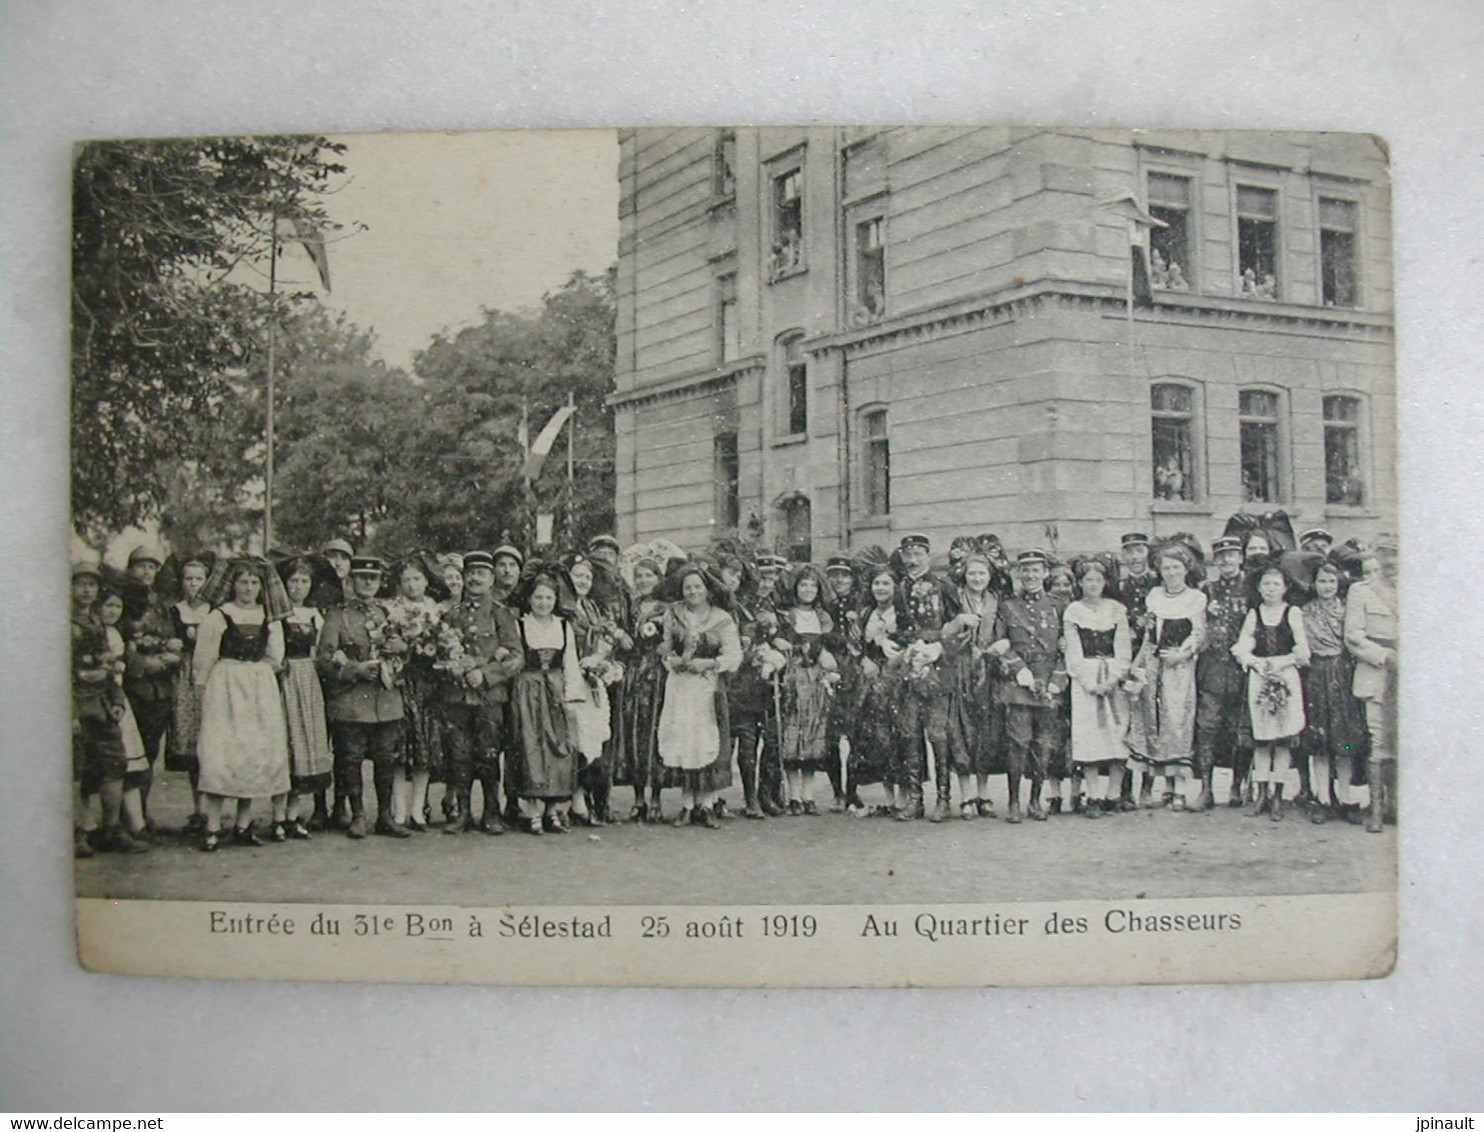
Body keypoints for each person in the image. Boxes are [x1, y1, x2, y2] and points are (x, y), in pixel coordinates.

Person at [193, 557, 291, 851]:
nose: (248, 588)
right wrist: (203, 688)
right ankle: (212, 825)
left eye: (253, 583)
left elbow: (275, 657)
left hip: (258, 686)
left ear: (261, 587)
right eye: (243, 582)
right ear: (232, 585)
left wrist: (256, 676)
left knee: (252, 751)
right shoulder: (219, 616)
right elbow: (204, 657)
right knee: (221, 752)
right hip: (225, 685)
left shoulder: (268, 618)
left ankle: (243, 824)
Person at [316, 556, 409, 840]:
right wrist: (356, 669)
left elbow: (408, 651)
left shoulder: (389, 612)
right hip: (352, 701)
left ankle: (385, 816)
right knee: (351, 758)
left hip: (385, 700)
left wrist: (401, 647)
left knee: (385, 759)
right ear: (351, 581)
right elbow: (324, 658)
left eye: (374, 578)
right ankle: (357, 814)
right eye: (362, 578)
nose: (368, 583)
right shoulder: (337, 615)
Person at [437, 550, 523, 834]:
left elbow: (515, 656)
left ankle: (491, 813)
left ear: (491, 579)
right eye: (471, 573)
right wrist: (453, 668)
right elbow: (438, 652)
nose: (475, 579)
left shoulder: (502, 614)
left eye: (481, 574)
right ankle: (462, 813)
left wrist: (485, 676)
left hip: (489, 698)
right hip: (457, 697)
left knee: (488, 754)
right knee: (458, 755)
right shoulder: (452, 615)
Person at [656, 563, 742, 828]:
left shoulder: (722, 618)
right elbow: (665, 648)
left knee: (705, 738)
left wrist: (710, 664)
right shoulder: (673, 614)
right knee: (684, 739)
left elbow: (734, 655)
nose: (692, 591)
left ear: (707, 590)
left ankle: (706, 804)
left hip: (707, 686)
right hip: (681, 686)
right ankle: (687, 804)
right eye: (687, 587)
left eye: (697, 587)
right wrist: (673, 660)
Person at [1126, 544, 1207, 809]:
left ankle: (1179, 788)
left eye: (1176, 567)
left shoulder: (1195, 598)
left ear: (1186, 569)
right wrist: (1139, 664)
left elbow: (1198, 634)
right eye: (1166, 568)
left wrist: (1182, 655)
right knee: (1152, 720)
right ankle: (1153, 786)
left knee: (1177, 721)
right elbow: (1150, 634)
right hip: (1154, 663)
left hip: (1179, 668)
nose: (1171, 572)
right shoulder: (1155, 596)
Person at [71, 563, 142, 855]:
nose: (87, 590)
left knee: (115, 765)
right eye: (81, 584)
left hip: (101, 705)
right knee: (75, 772)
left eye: (92, 584)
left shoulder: (97, 624)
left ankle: (110, 830)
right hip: (76, 707)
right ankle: (76, 834)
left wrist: (115, 701)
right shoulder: (61, 622)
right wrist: (71, 713)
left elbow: (108, 665)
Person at [509, 568, 586, 834]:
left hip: (556, 691)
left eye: (548, 598)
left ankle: (554, 810)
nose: (543, 603)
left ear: (556, 600)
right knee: (531, 746)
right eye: (538, 597)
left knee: (558, 747)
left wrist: (572, 698)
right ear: (529, 599)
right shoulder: (520, 624)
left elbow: (570, 663)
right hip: (527, 692)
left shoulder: (563, 626)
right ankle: (532, 810)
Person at [992, 549, 1067, 823]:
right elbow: (1001, 644)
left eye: (1036, 569)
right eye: (1025, 570)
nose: (1030, 575)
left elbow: (1065, 649)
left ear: (1046, 573)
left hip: (1048, 685)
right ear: (1018, 574)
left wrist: (1056, 683)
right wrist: (1020, 670)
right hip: (1019, 686)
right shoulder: (1008, 605)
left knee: (1043, 745)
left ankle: (1035, 800)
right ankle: (1013, 801)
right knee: (1017, 743)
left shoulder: (1059, 605)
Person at [1233, 565, 1311, 821]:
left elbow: (1302, 650)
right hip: (1261, 678)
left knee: (1283, 740)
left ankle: (1278, 795)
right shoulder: (1254, 613)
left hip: (1286, 678)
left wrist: (1283, 662)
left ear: (1285, 587)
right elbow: (1243, 645)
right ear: (1259, 588)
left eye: (1276, 584)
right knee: (1263, 739)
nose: (1271, 589)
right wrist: (1255, 662)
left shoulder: (1293, 613)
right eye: (1266, 584)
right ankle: (1261, 793)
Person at [896, 533, 961, 821]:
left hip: (937, 668)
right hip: (910, 668)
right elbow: (900, 627)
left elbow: (961, 630)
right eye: (907, 554)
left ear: (927, 556)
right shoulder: (900, 589)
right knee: (910, 733)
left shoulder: (944, 586)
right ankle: (915, 799)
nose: (912, 559)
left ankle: (943, 799)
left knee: (937, 734)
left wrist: (938, 648)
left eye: (918, 554)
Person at [1062, 556, 1133, 818]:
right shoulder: (1073, 611)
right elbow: (1073, 649)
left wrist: (1113, 679)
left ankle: (1113, 794)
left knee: (1117, 733)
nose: (1093, 585)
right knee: (1088, 734)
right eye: (1088, 580)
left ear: (1105, 583)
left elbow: (1123, 646)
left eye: (1098, 580)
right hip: (1085, 680)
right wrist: (1089, 682)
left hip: (1113, 676)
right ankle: (1092, 794)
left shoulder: (1116, 609)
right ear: (1080, 583)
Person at [383, 554, 448, 831]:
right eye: (406, 579)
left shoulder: (435, 611)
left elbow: (445, 646)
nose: (412, 585)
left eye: (417, 579)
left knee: (424, 751)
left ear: (426, 581)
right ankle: (399, 811)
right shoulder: (391, 610)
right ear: (399, 583)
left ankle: (418, 809)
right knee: (400, 751)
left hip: (428, 686)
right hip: (400, 684)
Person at [1301, 560, 1369, 824]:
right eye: (1322, 581)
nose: (1327, 586)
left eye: (1331, 581)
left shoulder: (1347, 610)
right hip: (1316, 674)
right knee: (1319, 740)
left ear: (1338, 583)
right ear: (1314, 584)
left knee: (1345, 740)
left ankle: (1345, 796)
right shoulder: (1305, 612)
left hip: (1342, 673)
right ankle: (1322, 799)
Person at [940, 553, 1003, 819]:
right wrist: (957, 623)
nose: (977, 579)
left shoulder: (996, 601)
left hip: (988, 672)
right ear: (964, 576)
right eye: (972, 574)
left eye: (981, 574)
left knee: (986, 732)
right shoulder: (953, 599)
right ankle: (966, 794)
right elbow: (940, 632)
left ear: (989, 577)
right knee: (961, 730)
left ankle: (984, 793)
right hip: (960, 670)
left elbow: (1004, 633)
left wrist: (1002, 644)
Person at [565, 554, 626, 826]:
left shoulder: (592, 608)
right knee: (576, 739)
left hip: (593, 681)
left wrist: (601, 660)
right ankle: (576, 802)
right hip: (572, 679)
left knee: (594, 739)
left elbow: (606, 639)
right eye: (578, 575)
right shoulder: (564, 609)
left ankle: (591, 800)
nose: (583, 581)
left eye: (587, 577)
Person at [121, 545, 179, 831]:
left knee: (150, 753)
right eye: (141, 565)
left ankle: (140, 812)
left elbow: (168, 637)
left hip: (160, 691)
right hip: (134, 688)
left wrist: (171, 654)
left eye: (152, 567)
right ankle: (127, 818)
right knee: (131, 753)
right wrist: (144, 663)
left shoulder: (160, 605)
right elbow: (118, 644)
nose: (147, 572)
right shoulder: (121, 601)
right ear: (131, 568)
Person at [773, 563, 839, 815]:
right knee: (792, 735)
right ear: (795, 588)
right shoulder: (786, 615)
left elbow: (828, 647)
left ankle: (809, 795)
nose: (808, 589)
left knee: (812, 734)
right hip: (793, 678)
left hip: (816, 681)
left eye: (813, 585)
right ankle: (793, 796)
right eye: (804, 584)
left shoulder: (823, 618)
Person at [276, 556, 334, 838]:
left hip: (307, 680)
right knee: (283, 743)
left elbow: (320, 651)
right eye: (293, 581)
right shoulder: (275, 614)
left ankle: (292, 815)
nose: (298, 587)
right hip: (281, 680)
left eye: (303, 581)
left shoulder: (314, 615)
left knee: (303, 744)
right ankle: (277, 815)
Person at [1345, 536, 1398, 833]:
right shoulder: (1362, 591)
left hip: (1408, 673)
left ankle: (1396, 805)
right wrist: (1383, 656)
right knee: (1378, 740)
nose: (1391, 562)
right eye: (1386, 555)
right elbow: (1353, 636)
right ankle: (1376, 810)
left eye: (1396, 556)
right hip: (1378, 671)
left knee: (1404, 740)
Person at [615, 555, 673, 821]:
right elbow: (622, 634)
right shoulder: (631, 606)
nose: (643, 580)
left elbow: (677, 638)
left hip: (658, 674)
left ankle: (657, 798)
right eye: (639, 576)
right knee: (634, 731)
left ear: (658, 579)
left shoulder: (668, 608)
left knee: (656, 732)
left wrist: (667, 645)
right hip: (635, 673)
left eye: (648, 575)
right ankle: (638, 798)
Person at [1195, 536, 1250, 810]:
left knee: (1238, 728)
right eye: (1221, 556)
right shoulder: (1206, 590)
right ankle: (1206, 789)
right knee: (1207, 727)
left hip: (1241, 670)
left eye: (1232, 554)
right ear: (1215, 561)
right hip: (1213, 669)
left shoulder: (1251, 588)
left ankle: (1237, 786)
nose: (1227, 560)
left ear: (1241, 558)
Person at [854, 563, 912, 816]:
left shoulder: (903, 612)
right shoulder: (866, 613)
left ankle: (905, 796)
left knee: (902, 735)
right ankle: (889, 797)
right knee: (880, 738)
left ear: (895, 587)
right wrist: (864, 658)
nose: (880, 588)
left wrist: (885, 642)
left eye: (885, 583)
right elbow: (858, 645)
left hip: (898, 681)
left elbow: (909, 640)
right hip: (872, 681)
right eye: (876, 583)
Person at [95, 588, 152, 844]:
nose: (112, 611)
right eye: (107, 606)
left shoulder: (116, 633)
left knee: (129, 764)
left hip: (117, 699)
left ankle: (136, 825)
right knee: (104, 766)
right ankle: (99, 826)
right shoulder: (93, 633)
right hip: (98, 699)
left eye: (117, 607)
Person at [166, 558, 213, 830]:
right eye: (188, 579)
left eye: (198, 579)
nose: (193, 584)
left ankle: (212, 810)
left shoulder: (215, 611)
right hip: (184, 679)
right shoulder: (175, 611)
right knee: (191, 745)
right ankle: (199, 809)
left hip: (209, 676)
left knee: (211, 742)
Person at [821, 555, 859, 812]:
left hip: (855, 672)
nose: (839, 580)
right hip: (830, 669)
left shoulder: (862, 603)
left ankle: (853, 792)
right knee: (830, 737)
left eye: (845, 575)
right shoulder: (822, 606)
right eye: (834, 575)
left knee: (856, 733)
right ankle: (837, 791)